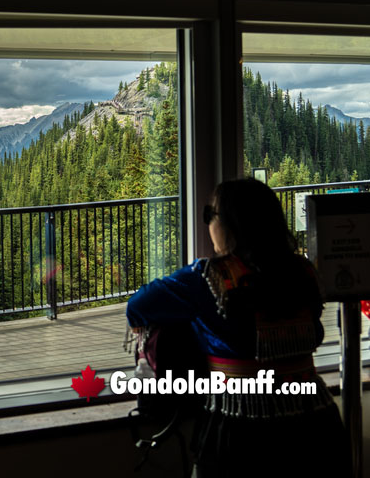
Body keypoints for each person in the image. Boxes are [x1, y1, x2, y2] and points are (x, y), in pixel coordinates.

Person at [126, 178, 348, 477]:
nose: (208, 225)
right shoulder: (303, 272)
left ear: (229, 223)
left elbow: (138, 306)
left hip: (240, 428)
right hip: (316, 424)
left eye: (210, 215)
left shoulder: (208, 279)